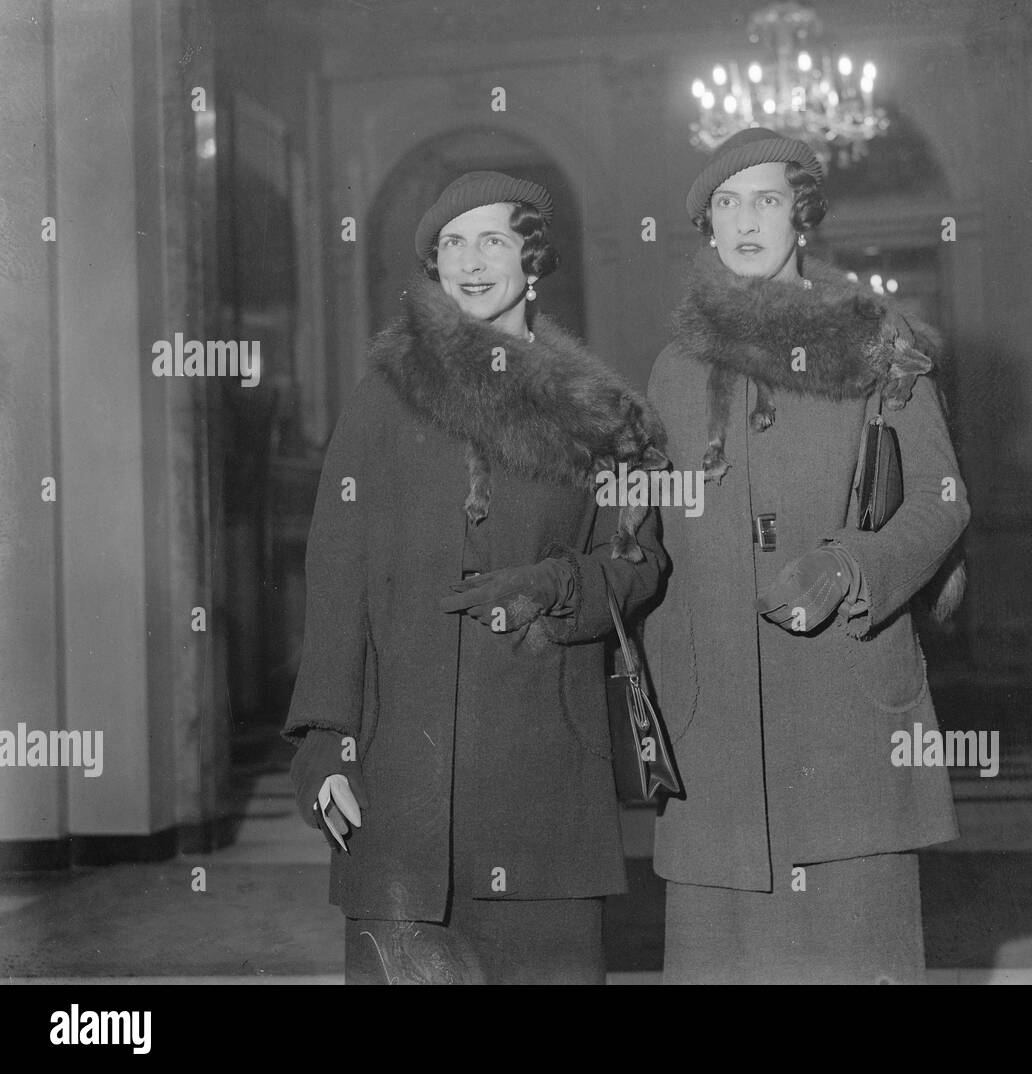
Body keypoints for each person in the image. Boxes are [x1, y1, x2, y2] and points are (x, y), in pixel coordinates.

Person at [283, 170, 667, 984]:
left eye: (492, 238)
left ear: (533, 259)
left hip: (546, 787)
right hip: (399, 792)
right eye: (450, 244)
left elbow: (638, 563)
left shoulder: (599, 414)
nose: (470, 260)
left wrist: (554, 588)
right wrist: (326, 742)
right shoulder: (384, 398)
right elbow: (337, 574)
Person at [644, 128, 970, 984]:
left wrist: (851, 568)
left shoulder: (877, 345)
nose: (746, 220)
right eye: (726, 203)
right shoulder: (676, 371)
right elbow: (641, 539)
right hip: (712, 738)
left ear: (803, 216)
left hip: (847, 722)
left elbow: (942, 498)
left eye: (767, 199)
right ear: (708, 227)